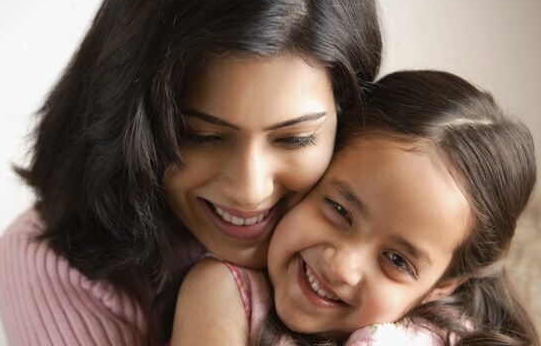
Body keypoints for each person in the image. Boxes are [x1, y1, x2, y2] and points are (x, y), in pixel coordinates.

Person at [0, 0, 383, 344]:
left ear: (348, 114)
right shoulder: (50, 262)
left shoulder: (394, 233)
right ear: (129, 121)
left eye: (293, 139)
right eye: (201, 136)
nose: (250, 190)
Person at [171, 70, 539, 346]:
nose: (342, 266)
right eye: (340, 211)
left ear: (441, 286)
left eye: (396, 260)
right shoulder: (225, 293)